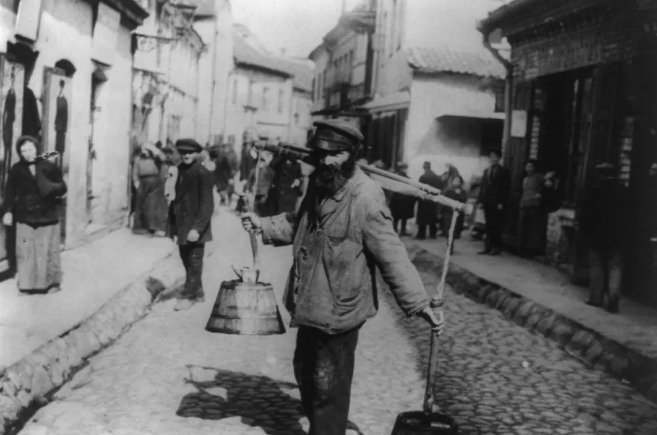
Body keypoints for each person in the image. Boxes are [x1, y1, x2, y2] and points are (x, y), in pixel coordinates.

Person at [240, 119, 443, 435]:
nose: (326, 160)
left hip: (340, 309)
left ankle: (327, 429)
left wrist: (419, 303)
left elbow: (391, 254)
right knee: (305, 370)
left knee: (327, 385)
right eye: (321, 153)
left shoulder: (366, 197)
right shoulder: (320, 184)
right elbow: (301, 224)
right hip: (309, 299)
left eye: (335, 155)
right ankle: (324, 424)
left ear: (353, 154)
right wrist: (264, 226)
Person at [1, 135, 67, 295]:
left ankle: (52, 284)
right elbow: (9, 192)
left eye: (30, 149)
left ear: (36, 149)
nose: (27, 153)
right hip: (25, 215)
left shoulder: (48, 166)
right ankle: (26, 286)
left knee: (49, 250)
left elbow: (62, 187)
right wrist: (7, 211)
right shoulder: (17, 169)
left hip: (47, 214)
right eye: (23, 150)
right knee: (25, 250)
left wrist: (48, 187)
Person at [166, 139, 214, 311]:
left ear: (197, 154)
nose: (186, 155)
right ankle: (198, 290)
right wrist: (172, 226)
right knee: (185, 258)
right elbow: (174, 198)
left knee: (194, 261)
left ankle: (189, 295)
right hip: (181, 224)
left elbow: (207, 205)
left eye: (190, 152)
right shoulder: (178, 170)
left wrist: (197, 228)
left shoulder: (203, 173)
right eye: (183, 152)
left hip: (194, 225)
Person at [581, 163, 627, 313]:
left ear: (600, 174)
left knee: (597, 265)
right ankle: (613, 301)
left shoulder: (594, 190)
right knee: (615, 267)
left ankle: (595, 297)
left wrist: (584, 231)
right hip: (617, 236)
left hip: (597, 235)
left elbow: (586, 213)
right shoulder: (624, 191)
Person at [477, 149, 510, 256]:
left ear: (499, 158)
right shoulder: (486, 171)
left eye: (495, 156)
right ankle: (488, 247)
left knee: (496, 225)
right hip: (487, 202)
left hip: (496, 203)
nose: (492, 159)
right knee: (488, 226)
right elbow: (483, 187)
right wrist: (481, 201)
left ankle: (496, 247)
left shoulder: (503, 171)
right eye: (491, 157)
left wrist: (501, 202)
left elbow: (505, 189)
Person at [132, 142, 167, 236]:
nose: (144, 152)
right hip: (142, 182)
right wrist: (136, 183)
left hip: (155, 182)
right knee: (141, 204)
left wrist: (155, 149)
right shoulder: (138, 159)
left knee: (153, 204)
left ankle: (154, 227)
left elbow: (164, 158)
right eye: (143, 149)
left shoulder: (155, 158)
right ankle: (141, 227)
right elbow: (135, 172)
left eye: (147, 150)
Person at [517, 159, 545, 257]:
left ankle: (531, 251)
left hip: (534, 206)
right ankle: (522, 250)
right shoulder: (525, 179)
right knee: (522, 228)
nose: (529, 168)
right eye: (527, 166)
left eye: (531, 166)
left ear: (534, 167)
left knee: (532, 229)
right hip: (524, 205)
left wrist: (540, 194)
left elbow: (548, 183)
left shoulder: (539, 177)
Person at [416, 161, 443, 239]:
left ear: (424, 167)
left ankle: (421, 235)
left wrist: (418, 198)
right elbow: (440, 188)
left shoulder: (422, 177)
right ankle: (433, 234)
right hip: (434, 200)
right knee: (433, 218)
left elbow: (420, 189)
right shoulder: (437, 177)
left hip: (424, 200)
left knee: (422, 219)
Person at [442, 175, 467, 254]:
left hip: (459, 214)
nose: (457, 183)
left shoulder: (463, 192)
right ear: (452, 182)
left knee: (456, 230)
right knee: (450, 229)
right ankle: (450, 246)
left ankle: (451, 244)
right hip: (449, 213)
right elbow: (443, 201)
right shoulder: (448, 191)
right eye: (455, 181)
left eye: (458, 181)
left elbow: (464, 201)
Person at [389, 161, 415, 236]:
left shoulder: (396, 176)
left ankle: (395, 231)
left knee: (396, 217)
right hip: (404, 201)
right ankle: (402, 231)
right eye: (405, 168)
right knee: (403, 218)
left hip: (396, 200)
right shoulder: (408, 178)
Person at [247, 150, 276, 217]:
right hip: (255, 192)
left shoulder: (270, 171)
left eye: (262, 161)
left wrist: (267, 190)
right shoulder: (254, 170)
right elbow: (250, 181)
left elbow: (270, 182)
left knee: (262, 207)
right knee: (254, 208)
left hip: (264, 193)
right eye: (259, 161)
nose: (260, 163)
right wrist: (248, 189)